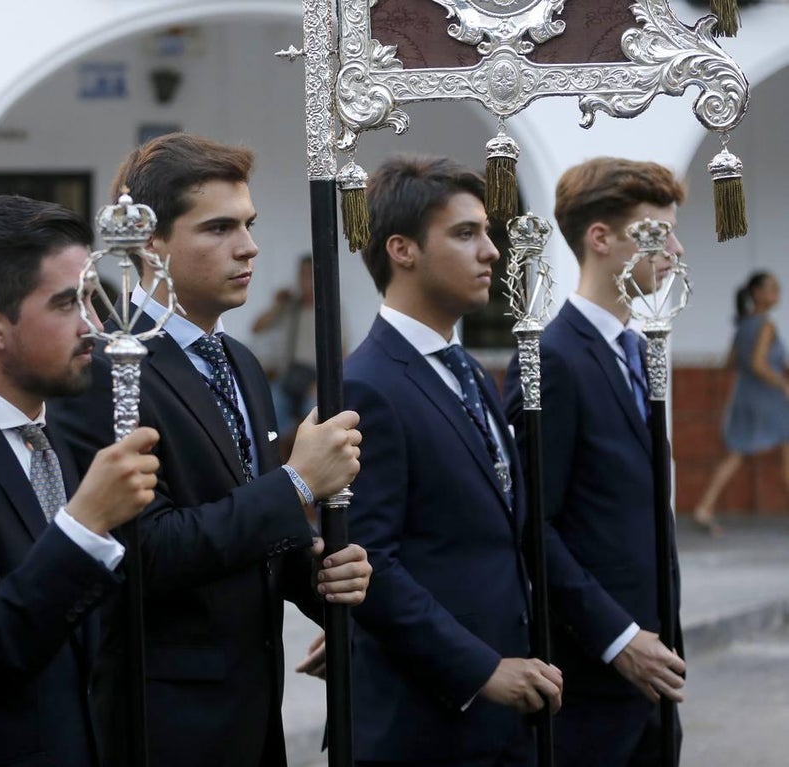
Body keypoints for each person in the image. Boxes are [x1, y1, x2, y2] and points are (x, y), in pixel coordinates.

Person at [48, 132, 370, 767]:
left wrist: (317, 575)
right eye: (218, 228)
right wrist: (297, 485)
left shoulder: (240, 362)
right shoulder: (108, 367)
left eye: (248, 224)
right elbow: (145, 552)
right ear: (150, 241)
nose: (248, 246)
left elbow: (239, 522)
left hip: (254, 712)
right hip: (164, 721)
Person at [0, 195, 161, 766]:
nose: (94, 326)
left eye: (91, 298)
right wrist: (85, 524)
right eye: (68, 303)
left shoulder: (51, 442)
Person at [342, 155, 561, 767]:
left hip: (503, 711)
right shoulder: (367, 385)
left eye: (487, 232)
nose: (490, 251)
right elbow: (370, 563)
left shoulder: (467, 370)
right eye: (466, 234)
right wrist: (481, 669)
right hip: (426, 721)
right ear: (403, 250)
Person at [503, 157, 688, 767]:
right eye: (655, 233)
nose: (675, 250)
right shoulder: (554, 358)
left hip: (655, 668)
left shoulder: (637, 348)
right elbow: (535, 523)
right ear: (600, 238)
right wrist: (618, 637)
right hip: (592, 675)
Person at [693, 271, 789, 534]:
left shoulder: (743, 324)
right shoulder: (766, 325)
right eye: (771, 288)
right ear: (757, 293)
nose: (776, 293)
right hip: (768, 397)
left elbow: (731, 361)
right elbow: (759, 364)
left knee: (736, 453)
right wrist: (783, 384)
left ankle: (705, 506)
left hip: (744, 396)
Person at [252, 254, 318, 442]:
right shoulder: (290, 308)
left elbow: (342, 351)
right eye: (302, 274)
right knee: (271, 406)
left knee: (315, 412)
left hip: (314, 381)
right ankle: (279, 460)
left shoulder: (328, 308)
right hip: (287, 377)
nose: (305, 280)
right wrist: (277, 304)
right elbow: (257, 328)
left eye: (309, 275)